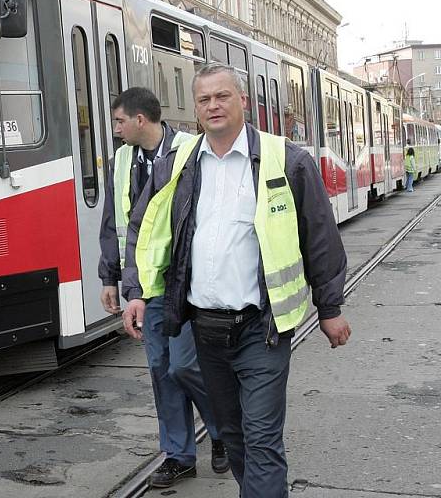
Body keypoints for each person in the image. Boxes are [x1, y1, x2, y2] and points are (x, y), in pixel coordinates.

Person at [127, 63, 351, 498]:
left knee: (262, 439)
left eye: (222, 96)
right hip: (204, 329)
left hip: (261, 327)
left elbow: (320, 235)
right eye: (204, 99)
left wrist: (330, 308)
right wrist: (136, 292)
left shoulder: (286, 158)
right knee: (233, 436)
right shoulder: (181, 163)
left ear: (243, 101)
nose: (213, 105)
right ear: (195, 108)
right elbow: (146, 227)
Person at [98, 87, 229, 488]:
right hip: (148, 287)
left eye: (120, 121)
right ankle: (179, 454)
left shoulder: (191, 149)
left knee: (186, 365)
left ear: (140, 120)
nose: (115, 129)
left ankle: (224, 431)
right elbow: (114, 221)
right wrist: (111, 277)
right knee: (161, 371)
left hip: (190, 283)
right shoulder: (123, 160)